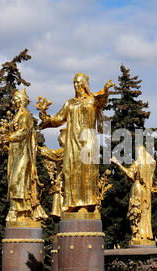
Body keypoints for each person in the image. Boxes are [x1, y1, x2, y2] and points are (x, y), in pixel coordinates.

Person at [39, 73, 114, 213]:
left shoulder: (92, 100)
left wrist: (106, 91)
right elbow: (58, 119)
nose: (76, 86)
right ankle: (73, 202)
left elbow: (102, 101)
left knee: (87, 172)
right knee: (71, 172)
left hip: (88, 142)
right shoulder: (70, 103)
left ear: (85, 84)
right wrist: (45, 116)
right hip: (72, 143)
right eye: (74, 83)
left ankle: (87, 204)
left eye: (79, 83)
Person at [5, 89, 47, 222]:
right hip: (15, 152)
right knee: (12, 180)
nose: (14, 101)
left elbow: (23, 132)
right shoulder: (17, 114)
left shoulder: (26, 115)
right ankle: (16, 209)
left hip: (23, 153)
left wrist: (9, 137)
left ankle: (23, 210)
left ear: (22, 100)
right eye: (14, 99)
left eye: (16, 98)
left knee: (19, 179)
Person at [111, 146, 157, 247]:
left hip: (137, 188)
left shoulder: (138, 163)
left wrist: (118, 164)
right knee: (145, 212)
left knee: (135, 210)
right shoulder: (150, 166)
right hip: (146, 192)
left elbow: (130, 174)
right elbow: (154, 182)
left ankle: (137, 235)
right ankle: (146, 235)